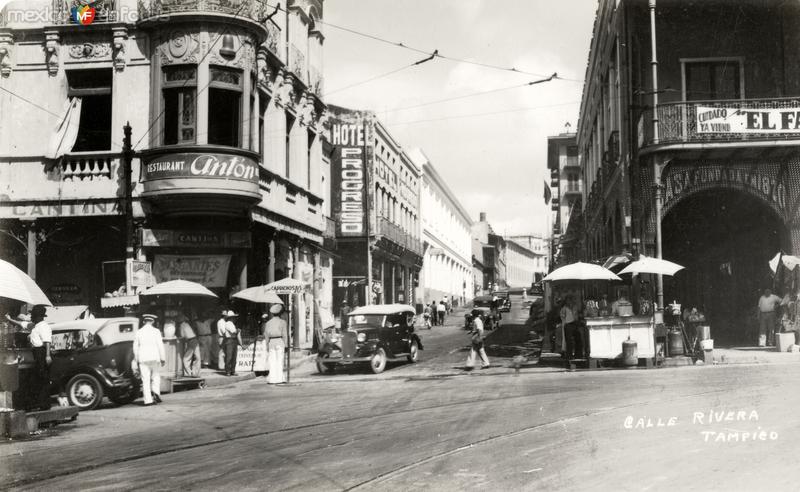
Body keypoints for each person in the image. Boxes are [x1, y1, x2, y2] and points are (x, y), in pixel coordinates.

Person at [133, 314, 165, 406]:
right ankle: (156, 393)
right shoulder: (156, 331)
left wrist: (136, 359)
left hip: (143, 359)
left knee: (145, 379)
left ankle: (148, 400)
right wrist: (163, 358)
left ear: (144, 321)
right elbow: (160, 345)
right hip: (155, 357)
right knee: (155, 376)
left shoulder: (138, 332)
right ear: (153, 321)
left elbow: (135, 347)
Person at [28, 305, 52, 410]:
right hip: (37, 353)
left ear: (38, 316)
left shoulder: (43, 326)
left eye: (33, 315)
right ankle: (41, 403)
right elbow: (23, 324)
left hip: (41, 352)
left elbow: (47, 342)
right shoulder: (36, 326)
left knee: (42, 378)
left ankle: (44, 404)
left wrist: (47, 355)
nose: (31, 317)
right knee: (38, 377)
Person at [263, 304, 289, 384]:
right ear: (280, 313)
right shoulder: (282, 322)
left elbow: (266, 335)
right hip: (279, 341)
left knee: (272, 361)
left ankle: (272, 379)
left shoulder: (268, 323)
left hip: (271, 342)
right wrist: (286, 345)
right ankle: (279, 378)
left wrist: (267, 345)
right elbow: (284, 334)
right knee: (279, 360)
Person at [218, 310, 242, 376]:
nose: (235, 319)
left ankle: (232, 371)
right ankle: (228, 371)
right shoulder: (228, 323)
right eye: (234, 317)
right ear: (231, 318)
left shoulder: (231, 324)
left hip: (232, 340)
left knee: (234, 356)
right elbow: (234, 332)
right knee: (229, 356)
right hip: (229, 340)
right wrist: (238, 330)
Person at [178, 313, 200, 377]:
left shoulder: (182, 325)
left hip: (191, 341)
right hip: (195, 340)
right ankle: (196, 373)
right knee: (197, 358)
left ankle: (188, 373)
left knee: (186, 359)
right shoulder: (187, 324)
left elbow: (182, 336)